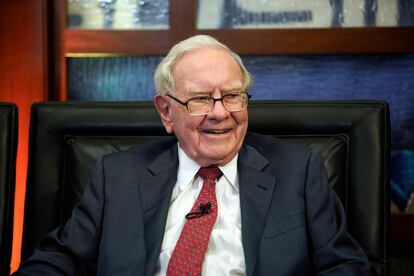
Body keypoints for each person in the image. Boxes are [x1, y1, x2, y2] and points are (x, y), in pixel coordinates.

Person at [15, 35, 376, 275]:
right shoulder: (118, 175)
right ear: (166, 112)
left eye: (232, 95)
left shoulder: (298, 170)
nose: (220, 112)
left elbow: (345, 265)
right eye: (201, 99)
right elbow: (58, 261)